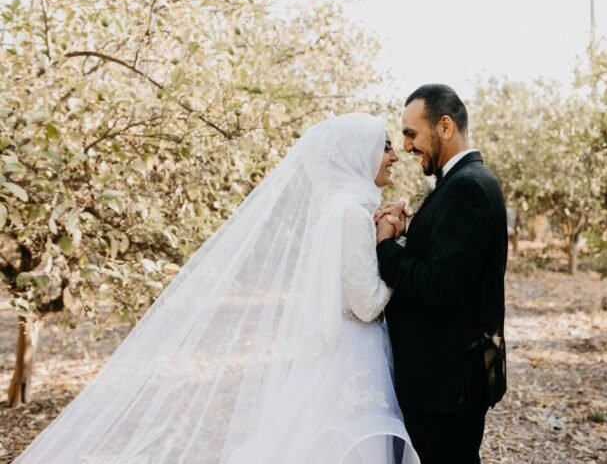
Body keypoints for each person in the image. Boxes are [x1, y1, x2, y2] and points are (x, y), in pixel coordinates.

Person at [13, 113, 420, 464]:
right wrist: (392, 246)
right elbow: (367, 305)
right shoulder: (350, 213)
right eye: (385, 146)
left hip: (340, 352)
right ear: (357, 153)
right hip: (353, 358)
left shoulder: (344, 209)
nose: (394, 155)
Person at [375, 84, 508, 464]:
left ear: (445, 127)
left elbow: (440, 286)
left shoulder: (466, 187)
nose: (406, 146)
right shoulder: (463, 182)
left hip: (446, 385)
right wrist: (409, 234)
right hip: (449, 379)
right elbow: (449, 259)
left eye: (411, 133)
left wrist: (385, 247)